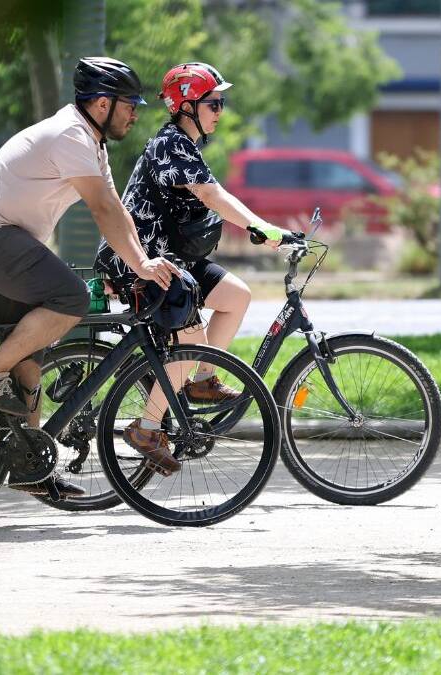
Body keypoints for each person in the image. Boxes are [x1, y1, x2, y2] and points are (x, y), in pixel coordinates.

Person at [0, 57, 181, 489]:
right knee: (72, 298)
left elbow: (116, 210)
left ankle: (29, 468)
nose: (135, 112)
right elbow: (101, 210)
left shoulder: (92, 143)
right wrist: (141, 266)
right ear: (100, 104)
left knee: (30, 362)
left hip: (4, 240)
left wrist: (143, 262)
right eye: (129, 104)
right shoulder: (71, 135)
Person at [93, 62, 294, 474]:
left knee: (236, 297)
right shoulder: (170, 145)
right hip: (141, 262)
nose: (220, 110)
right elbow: (211, 193)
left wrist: (258, 228)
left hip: (175, 261)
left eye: (222, 102)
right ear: (186, 107)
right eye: (213, 102)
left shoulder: (187, 145)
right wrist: (261, 226)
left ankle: (201, 380)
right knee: (193, 337)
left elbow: (209, 199)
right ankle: (147, 428)